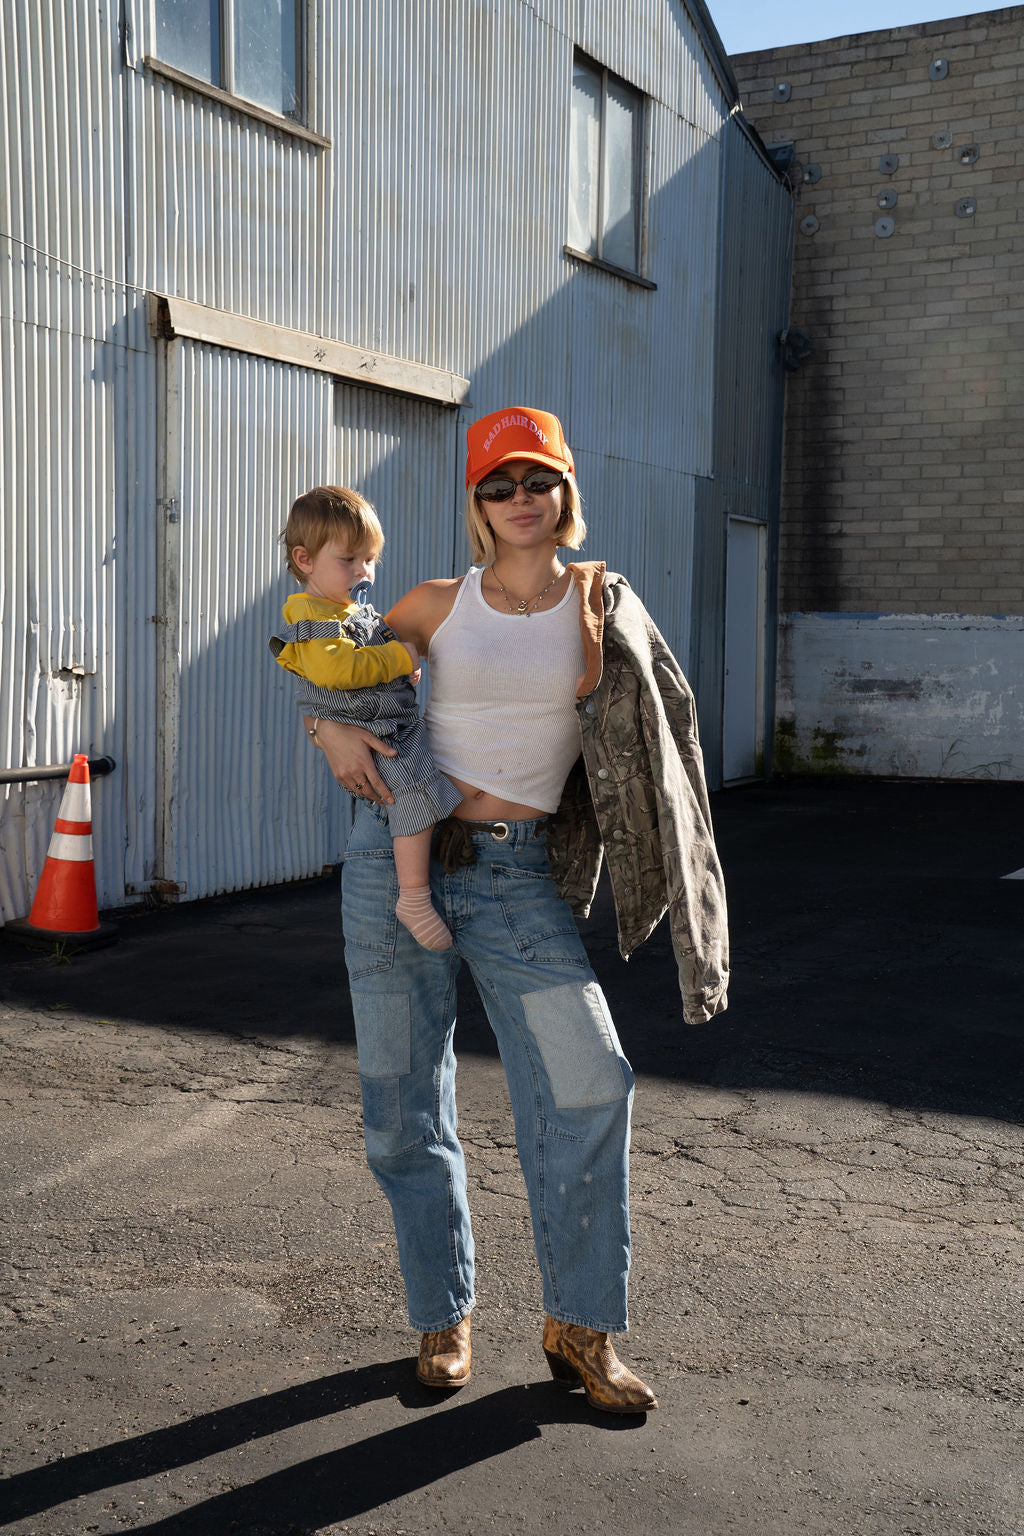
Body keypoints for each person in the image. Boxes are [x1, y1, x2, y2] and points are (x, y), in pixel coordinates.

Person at [306, 408, 729, 1415]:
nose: (519, 499)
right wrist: (327, 730)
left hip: (515, 872)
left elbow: (666, 728)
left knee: (591, 1081)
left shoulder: (600, 602)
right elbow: (333, 661)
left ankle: (579, 1325)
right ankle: (442, 1312)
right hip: (393, 861)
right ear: (477, 502)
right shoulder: (433, 603)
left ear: (564, 491)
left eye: (537, 480)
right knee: (403, 1104)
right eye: (498, 485)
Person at [270, 486, 463, 950]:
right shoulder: (312, 614)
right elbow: (338, 671)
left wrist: (402, 666)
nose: (363, 571)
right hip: (368, 725)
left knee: (421, 788)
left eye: (370, 560)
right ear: (304, 560)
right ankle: (413, 897)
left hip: (381, 720)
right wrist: (399, 657)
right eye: (349, 560)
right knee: (412, 792)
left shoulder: (349, 610)